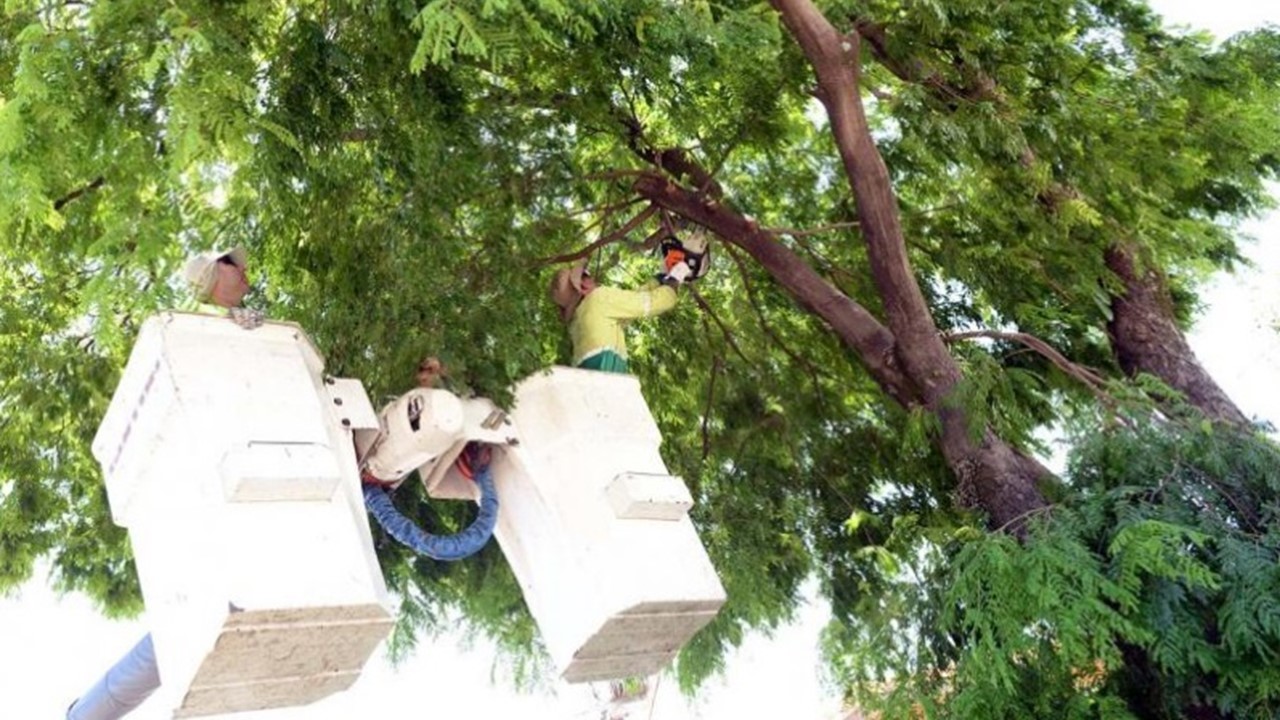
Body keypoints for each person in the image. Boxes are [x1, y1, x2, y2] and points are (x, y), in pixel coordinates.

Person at [549, 252, 693, 374]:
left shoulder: (577, 323)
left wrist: (659, 278)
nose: (593, 278)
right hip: (607, 383)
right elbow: (655, 302)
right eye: (587, 275)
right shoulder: (598, 298)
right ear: (583, 286)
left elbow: (630, 302)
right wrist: (675, 278)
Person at [181, 245, 264, 329]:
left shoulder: (246, 321)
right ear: (211, 275)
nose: (244, 267)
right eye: (231, 261)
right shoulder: (199, 324)